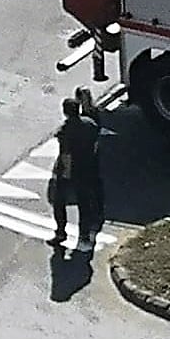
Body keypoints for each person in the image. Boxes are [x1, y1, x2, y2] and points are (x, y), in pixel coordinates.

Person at [50, 92, 104, 251]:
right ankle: (84, 235)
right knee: (84, 204)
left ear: (65, 111)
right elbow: (96, 144)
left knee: (59, 201)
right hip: (88, 168)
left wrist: (65, 175)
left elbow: (66, 154)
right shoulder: (90, 124)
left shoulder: (65, 131)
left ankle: (61, 233)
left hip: (71, 171)